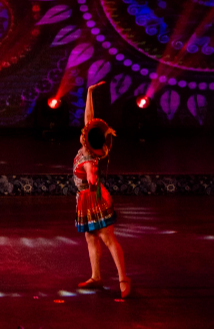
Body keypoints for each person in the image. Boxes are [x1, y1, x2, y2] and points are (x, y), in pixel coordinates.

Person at [75, 81, 130, 298]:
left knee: (107, 238)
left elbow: (91, 174)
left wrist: (92, 179)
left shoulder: (88, 158)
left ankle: (123, 279)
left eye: (85, 133)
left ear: (87, 141)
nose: (83, 132)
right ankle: (96, 277)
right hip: (85, 199)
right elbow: (89, 118)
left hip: (93, 198)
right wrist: (89, 93)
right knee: (91, 237)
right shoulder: (86, 147)